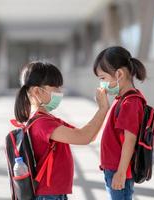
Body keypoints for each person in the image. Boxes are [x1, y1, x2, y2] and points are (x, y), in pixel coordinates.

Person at [14, 61, 109, 200]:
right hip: (48, 194)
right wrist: (102, 109)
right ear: (36, 91)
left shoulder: (45, 119)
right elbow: (83, 137)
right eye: (56, 88)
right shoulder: (42, 123)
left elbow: (88, 136)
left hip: (53, 192)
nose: (60, 92)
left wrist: (102, 111)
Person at [93, 46, 147, 200]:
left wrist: (121, 172)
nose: (101, 83)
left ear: (119, 74)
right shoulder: (123, 100)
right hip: (113, 169)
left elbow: (130, 140)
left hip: (119, 170)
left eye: (103, 78)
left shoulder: (130, 103)